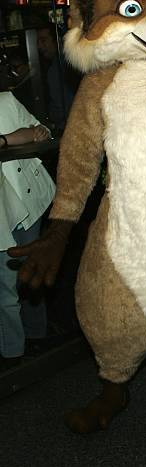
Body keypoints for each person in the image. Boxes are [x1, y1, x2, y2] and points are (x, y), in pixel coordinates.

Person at [0, 91, 55, 368]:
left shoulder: (6, 101)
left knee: (30, 270)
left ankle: (37, 335)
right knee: (5, 284)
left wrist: (38, 133)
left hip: (26, 201)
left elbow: (39, 129)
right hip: (1, 211)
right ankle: (14, 349)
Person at [37, 24, 79, 134]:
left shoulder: (56, 68)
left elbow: (60, 107)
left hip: (69, 128)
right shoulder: (75, 59)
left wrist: (50, 118)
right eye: (38, 42)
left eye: (44, 40)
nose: (40, 46)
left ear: (58, 39)